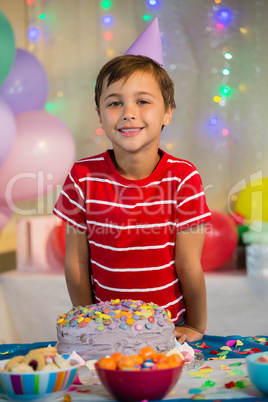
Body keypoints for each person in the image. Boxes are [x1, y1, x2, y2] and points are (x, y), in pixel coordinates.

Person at [53, 21, 211, 344]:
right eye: (114, 103)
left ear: (167, 112)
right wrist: (89, 323)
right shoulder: (82, 177)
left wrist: (195, 325)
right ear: (100, 116)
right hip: (105, 329)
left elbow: (189, 264)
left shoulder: (183, 178)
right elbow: (76, 260)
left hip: (168, 331)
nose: (128, 113)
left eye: (143, 101)